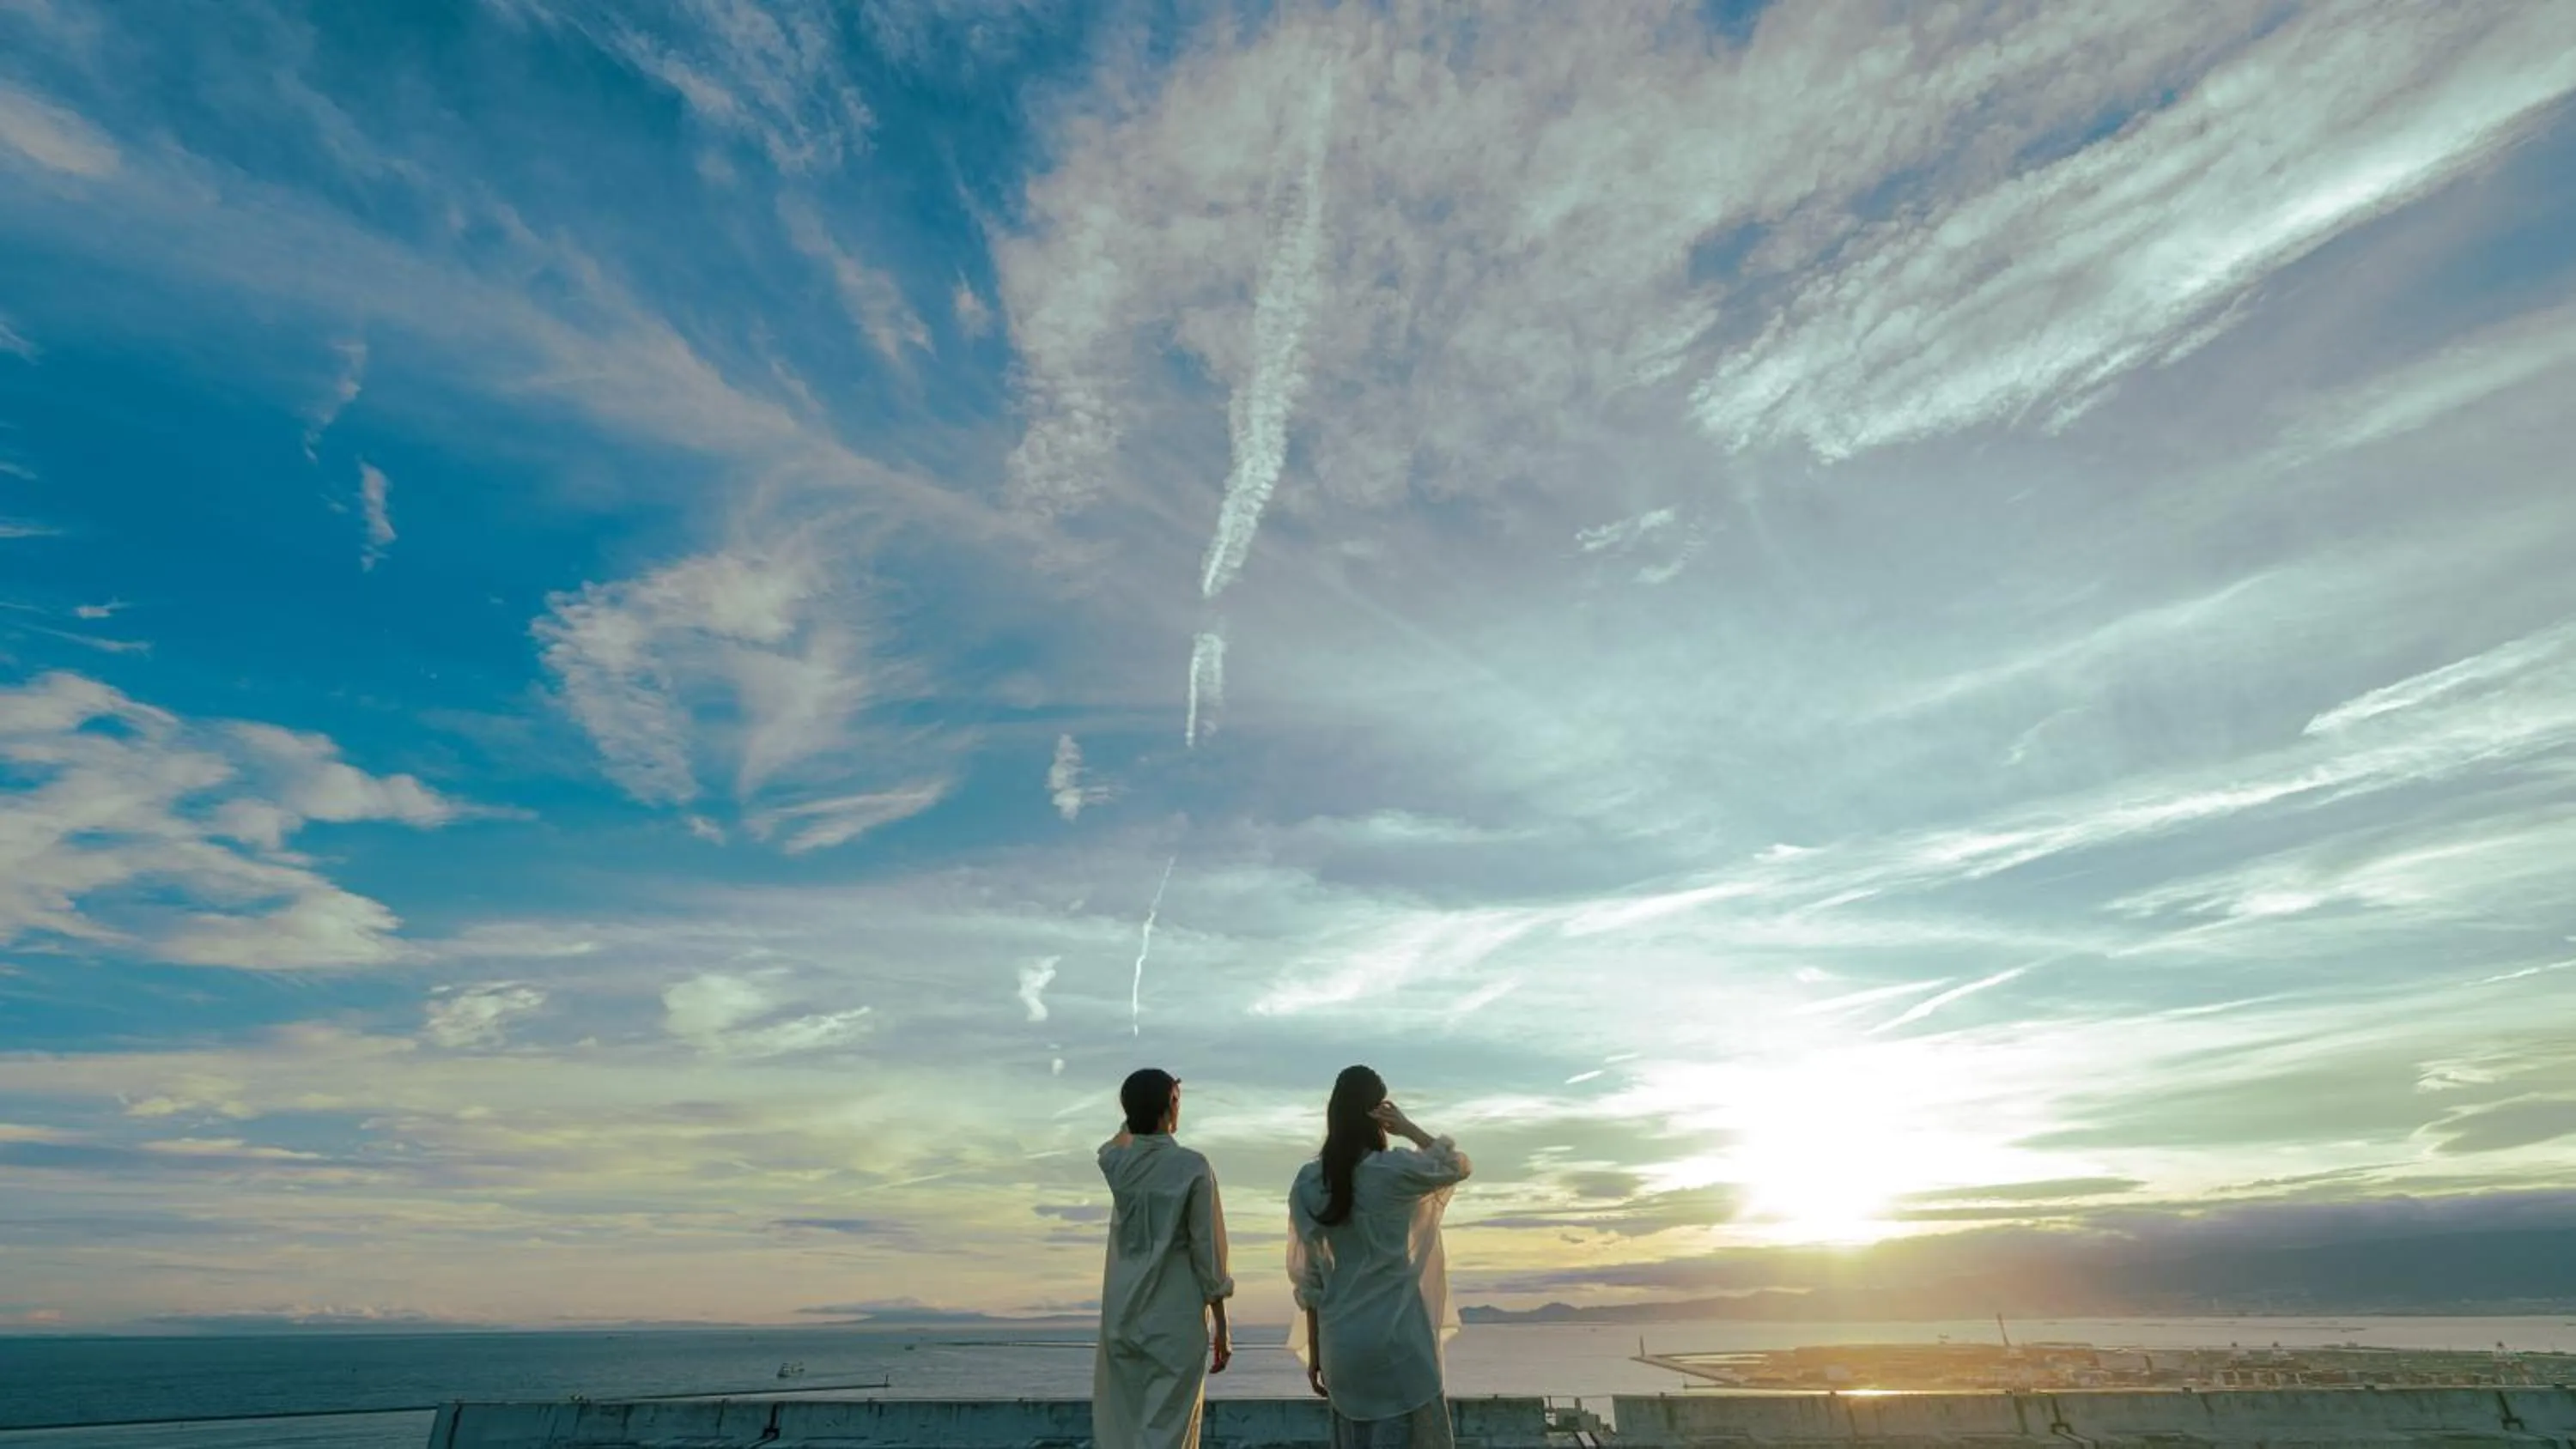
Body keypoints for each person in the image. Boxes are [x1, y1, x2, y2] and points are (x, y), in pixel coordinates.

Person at [1287, 1064, 1473, 1449]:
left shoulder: (1309, 1181)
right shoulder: (1392, 1171)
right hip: (1399, 1341)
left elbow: (1310, 1282)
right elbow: (1456, 1166)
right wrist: (1407, 1127)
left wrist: (1316, 1354)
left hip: (1342, 1344)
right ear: (1377, 1113)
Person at [1094, 1068, 1235, 1449]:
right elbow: (1208, 1252)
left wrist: (1147, 1106)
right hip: (1174, 1320)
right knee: (1169, 1434)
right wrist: (1221, 1323)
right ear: (1170, 1105)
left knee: (1123, 1430)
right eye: (1176, 1101)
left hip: (1123, 1317)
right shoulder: (1192, 1166)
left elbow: (1118, 1139)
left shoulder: (1116, 1163)